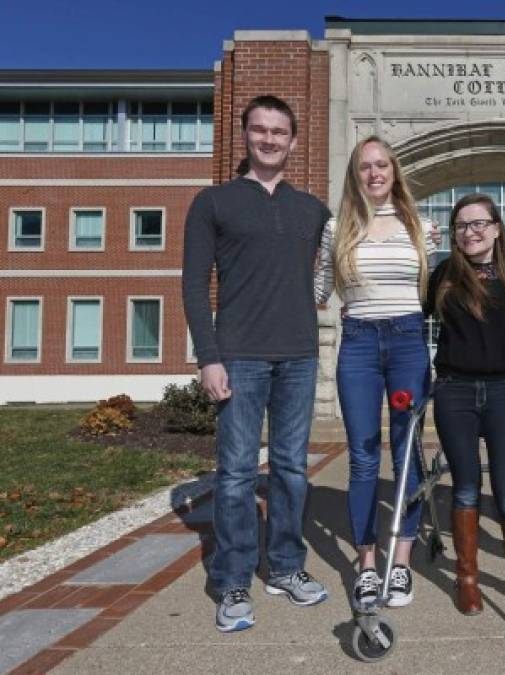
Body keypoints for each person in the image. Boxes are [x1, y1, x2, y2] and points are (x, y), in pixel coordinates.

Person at [183, 95, 331, 633]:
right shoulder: (214, 203)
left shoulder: (313, 210)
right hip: (239, 357)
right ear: (245, 136)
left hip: (298, 355)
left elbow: (353, 249)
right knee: (238, 474)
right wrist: (208, 358)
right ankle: (233, 580)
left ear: (294, 141)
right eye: (260, 130)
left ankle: (287, 568)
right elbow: (194, 286)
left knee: (292, 469)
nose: (270, 139)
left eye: (280, 132)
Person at [314, 135, 435, 610]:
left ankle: (400, 560)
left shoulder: (420, 225)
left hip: (407, 341)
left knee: (408, 452)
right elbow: (318, 289)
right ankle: (367, 562)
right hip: (359, 344)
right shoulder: (336, 227)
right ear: (355, 174)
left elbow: (442, 289)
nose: (374, 173)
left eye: (382, 164)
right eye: (365, 166)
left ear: (394, 170)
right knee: (363, 454)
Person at [426, 193, 505, 616]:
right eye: (462, 225)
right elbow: (411, 312)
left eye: (479, 223)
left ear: (498, 227)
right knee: (464, 489)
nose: (471, 232)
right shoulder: (444, 273)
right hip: (454, 391)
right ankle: (468, 578)